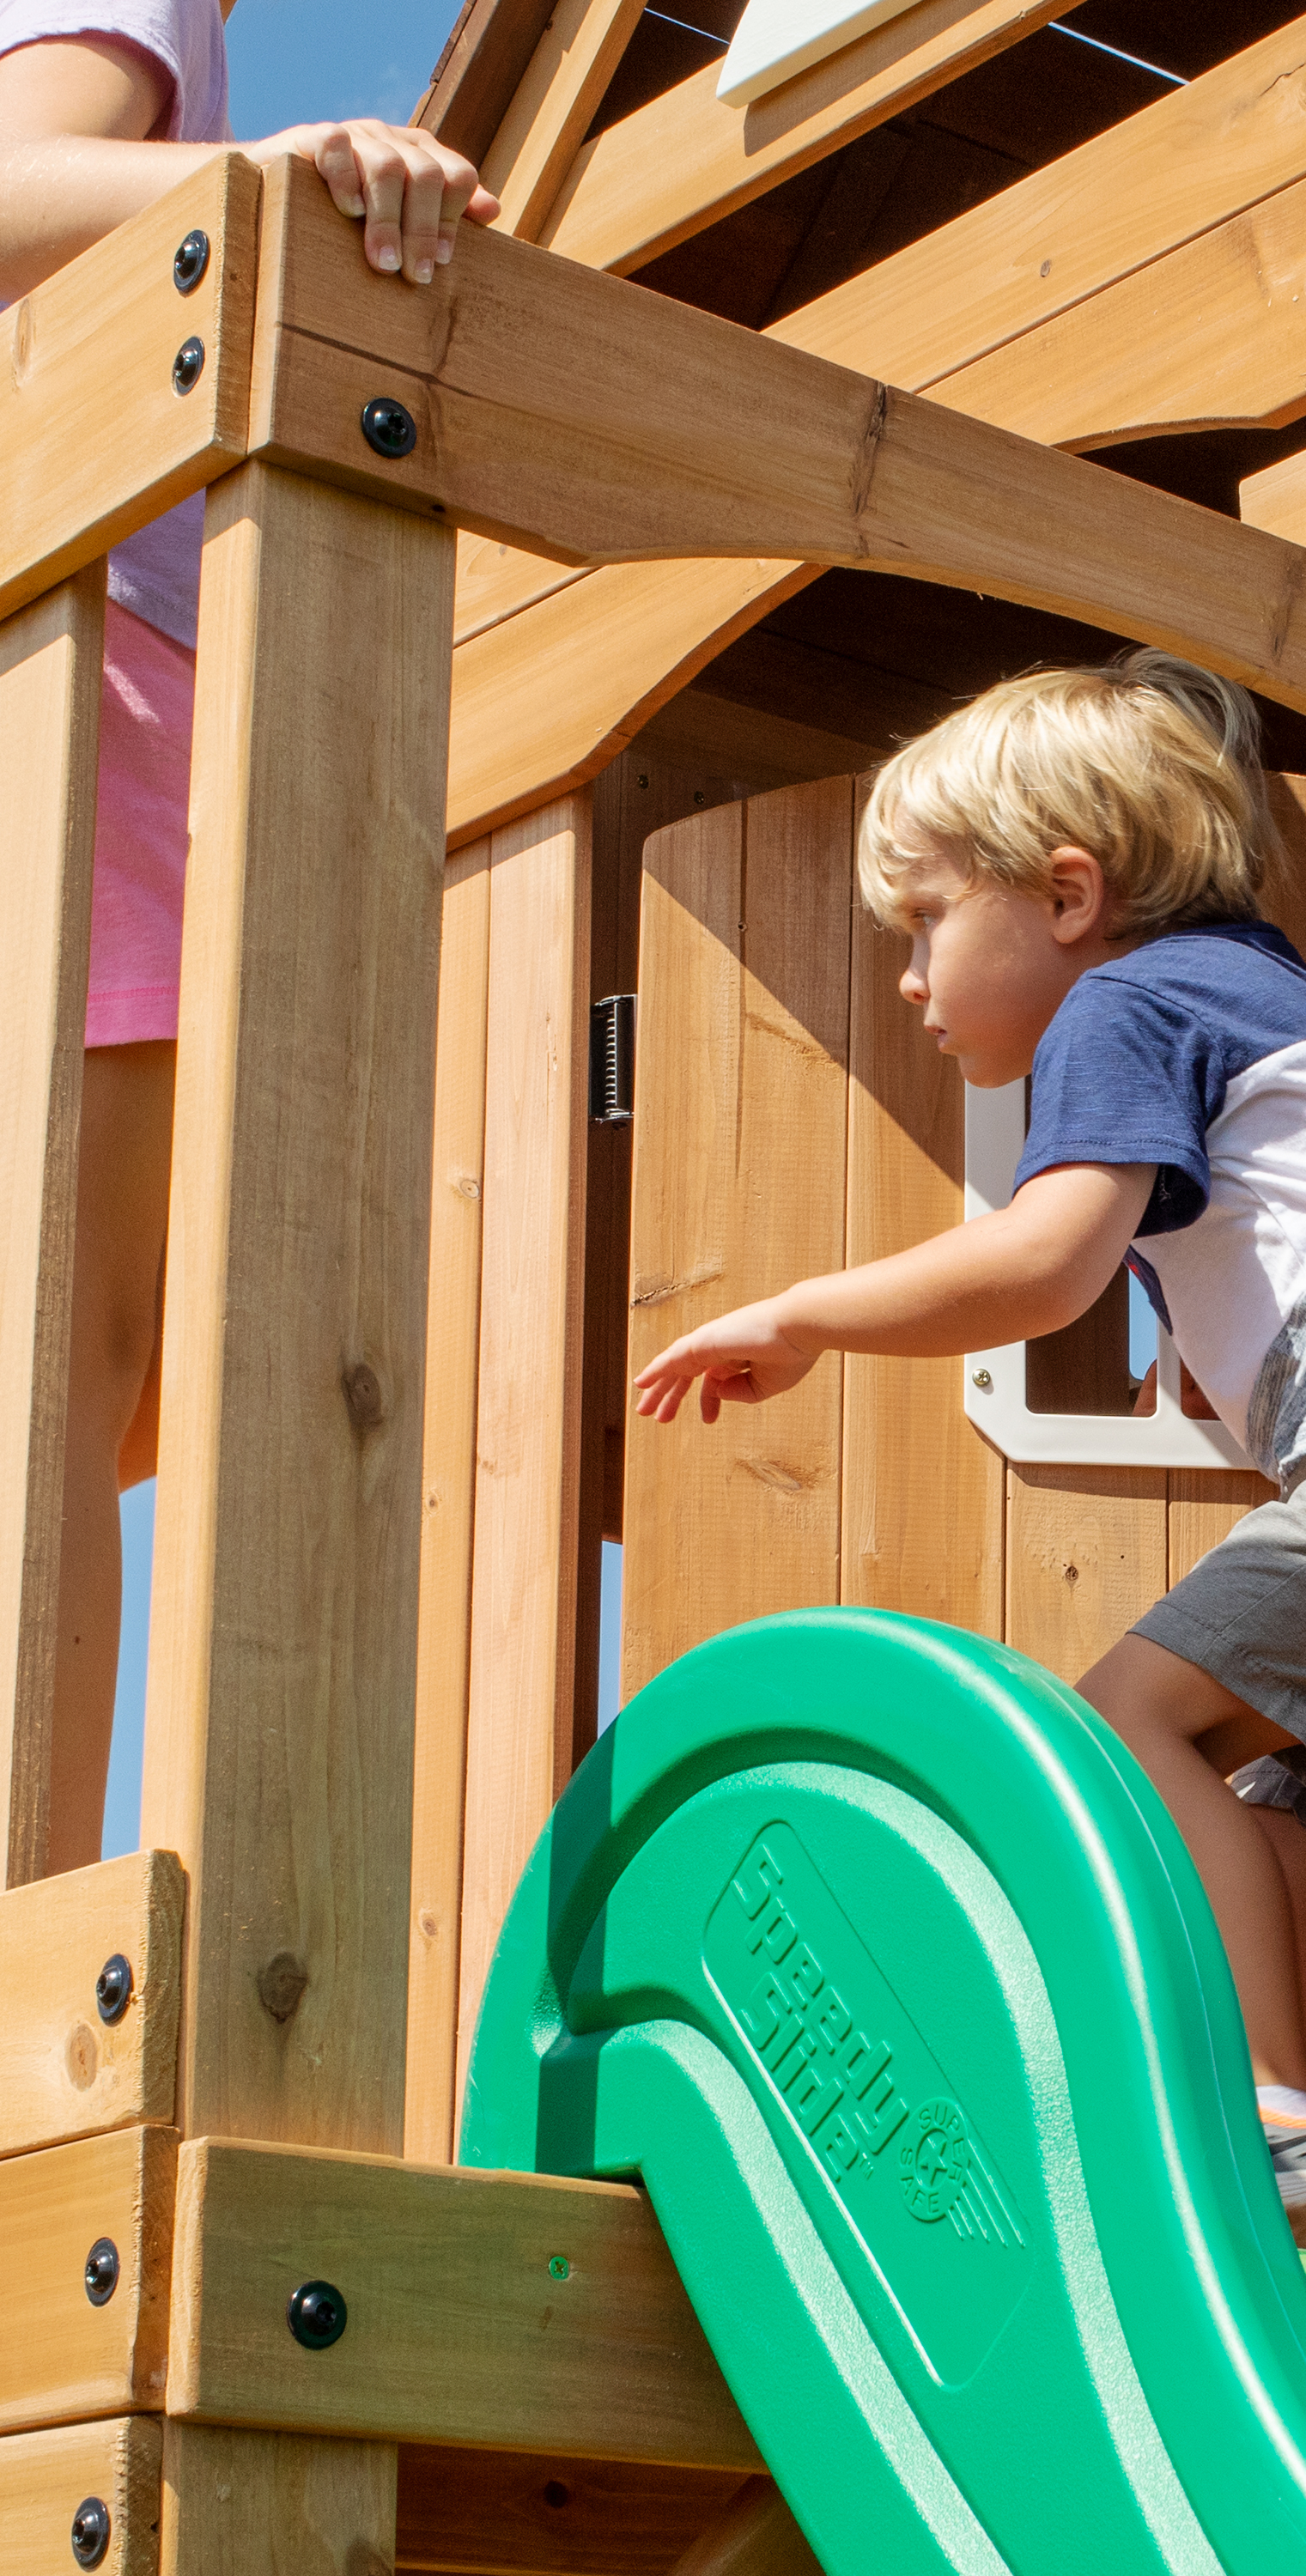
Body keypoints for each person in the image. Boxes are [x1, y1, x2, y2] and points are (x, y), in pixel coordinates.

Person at [631, 654, 1306, 2220]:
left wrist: (806, 1316)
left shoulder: (1124, 1002)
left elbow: (1042, 1267)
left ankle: (1275, 2113)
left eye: (924, 923)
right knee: (1285, 1843)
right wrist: (1201, 1371)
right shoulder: (1266, 992)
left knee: (1125, 1731)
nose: (911, 979)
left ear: (1071, 895)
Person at [0, 4, 495, 1870]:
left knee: (89, 1368)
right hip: (98, 667)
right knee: (77, 1350)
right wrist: (262, 173)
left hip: (83, 648)